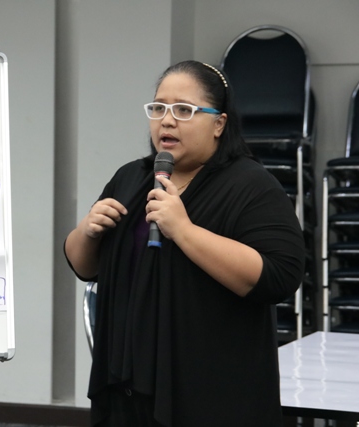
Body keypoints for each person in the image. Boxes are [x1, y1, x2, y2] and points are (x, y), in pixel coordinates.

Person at [64, 60, 305, 427]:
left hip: (210, 393)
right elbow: (84, 268)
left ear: (219, 124)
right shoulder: (131, 177)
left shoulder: (251, 185)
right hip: (127, 386)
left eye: (184, 110)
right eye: (158, 108)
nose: (167, 121)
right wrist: (87, 231)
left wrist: (184, 230)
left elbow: (279, 275)